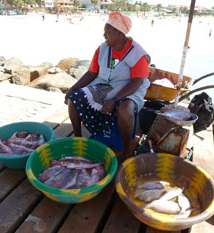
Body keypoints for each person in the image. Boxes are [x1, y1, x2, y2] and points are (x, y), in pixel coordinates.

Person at [64, 12, 151, 161]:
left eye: (107, 31)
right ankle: (78, 138)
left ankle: (125, 150)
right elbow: (92, 73)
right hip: (105, 86)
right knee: (74, 99)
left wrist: (114, 100)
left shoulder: (138, 54)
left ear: (118, 33)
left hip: (129, 88)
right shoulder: (103, 49)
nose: (104, 35)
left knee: (125, 108)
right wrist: (72, 89)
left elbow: (137, 81)